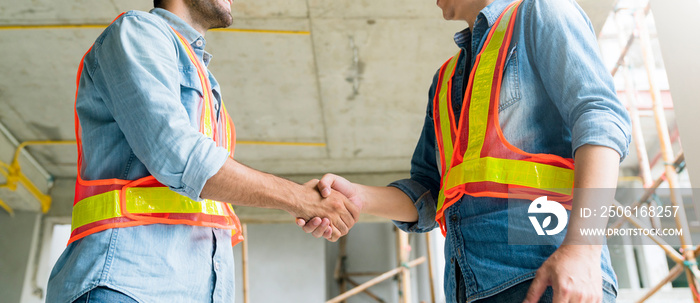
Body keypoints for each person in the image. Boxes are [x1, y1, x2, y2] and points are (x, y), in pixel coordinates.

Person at [301, 0, 631, 302]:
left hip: (545, 278)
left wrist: (583, 248)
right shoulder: (445, 80)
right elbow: (430, 191)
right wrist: (356, 196)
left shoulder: (539, 12)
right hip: (470, 289)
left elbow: (600, 119)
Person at [46, 0, 358, 302]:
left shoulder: (202, 75)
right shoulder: (138, 32)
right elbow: (178, 155)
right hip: (126, 284)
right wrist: (298, 198)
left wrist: (305, 202)